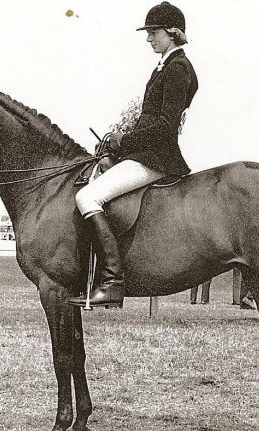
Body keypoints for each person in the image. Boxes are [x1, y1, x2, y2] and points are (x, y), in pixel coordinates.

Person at [68, 2, 198, 308]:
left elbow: (165, 127)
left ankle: (112, 281)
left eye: (153, 32)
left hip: (157, 158)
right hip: (146, 154)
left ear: (171, 32)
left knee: (87, 198)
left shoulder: (178, 68)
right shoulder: (166, 65)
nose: (149, 38)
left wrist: (122, 142)